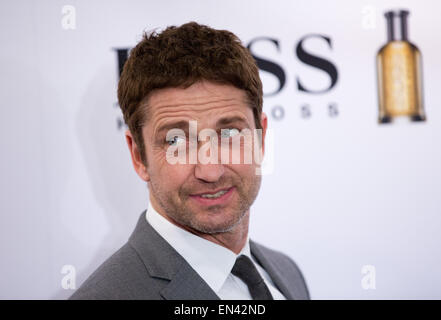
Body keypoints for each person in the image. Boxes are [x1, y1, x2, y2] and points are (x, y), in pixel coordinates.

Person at [70, 21, 309, 300]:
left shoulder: (287, 273)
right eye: (177, 141)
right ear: (139, 157)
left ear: (261, 138)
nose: (210, 170)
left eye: (229, 133)